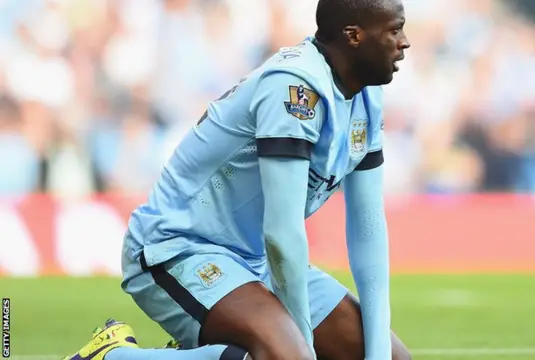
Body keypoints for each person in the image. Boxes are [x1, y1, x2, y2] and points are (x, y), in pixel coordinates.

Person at [64, 0, 411, 359]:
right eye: (394, 29)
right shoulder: (295, 90)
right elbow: (282, 231)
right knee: (288, 356)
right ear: (354, 36)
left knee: (395, 358)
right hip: (178, 247)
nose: (405, 41)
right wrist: (301, 346)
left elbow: (367, 226)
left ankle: (209, 349)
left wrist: (378, 353)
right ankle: (112, 355)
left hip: (255, 259)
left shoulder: (368, 96)